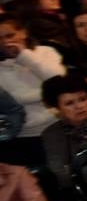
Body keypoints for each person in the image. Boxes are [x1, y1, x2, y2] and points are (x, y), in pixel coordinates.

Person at [0, 16, 66, 167]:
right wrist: (47, 93)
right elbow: (10, 100)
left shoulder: (45, 52)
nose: (5, 42)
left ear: (23, 33)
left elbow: (58, 81)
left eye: (10, 35)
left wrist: (24, 56)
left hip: (59, 125)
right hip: (26, 135)